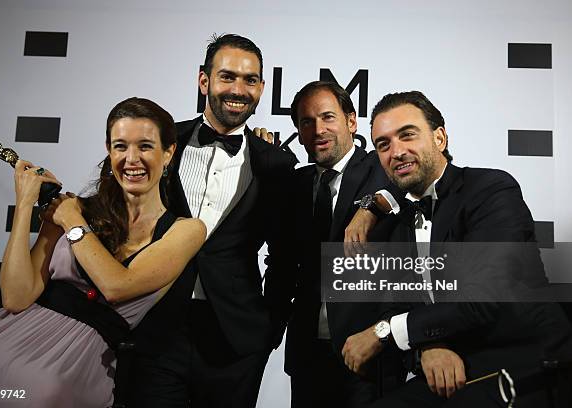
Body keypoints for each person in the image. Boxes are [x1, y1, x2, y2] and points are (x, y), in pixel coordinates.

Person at [0, 97, 206, 407]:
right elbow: (15, 297)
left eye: (145, 146)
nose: (131, 159)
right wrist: (25, 204)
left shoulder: (186, 230)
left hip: (72, 368)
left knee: (39, 393)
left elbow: (117, 286)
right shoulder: (74, 207)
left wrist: (71, 221)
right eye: (120, 146)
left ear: (168, 153)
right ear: (108, 150)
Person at [341, 90, 572, 407]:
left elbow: (482, 299)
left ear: (440, 138)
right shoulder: (397, 223)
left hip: (525, 371)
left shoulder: (490, 190)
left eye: (407, 135)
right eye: (384, 144)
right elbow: (397, 304)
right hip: (447, 372)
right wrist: (427, 346)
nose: (396, 151)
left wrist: (383, 333)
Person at [128, 34, 297, 408]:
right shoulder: (161, 142)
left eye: (250, 80)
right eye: (227, 77)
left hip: (235, 340)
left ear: (262, 87)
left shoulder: (277, 164)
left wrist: (269, 330)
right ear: (204, 81)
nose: (239, 89)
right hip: (157, 328)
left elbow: (285, 258)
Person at [283, 81, 403, 408]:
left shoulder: (382, 167)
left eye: (327, 117)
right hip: (308, 355)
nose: (318, 129)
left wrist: (372, 207)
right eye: (307, 122)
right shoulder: (296, 185)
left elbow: (404, 191)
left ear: (351, 121)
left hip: (368, 354)